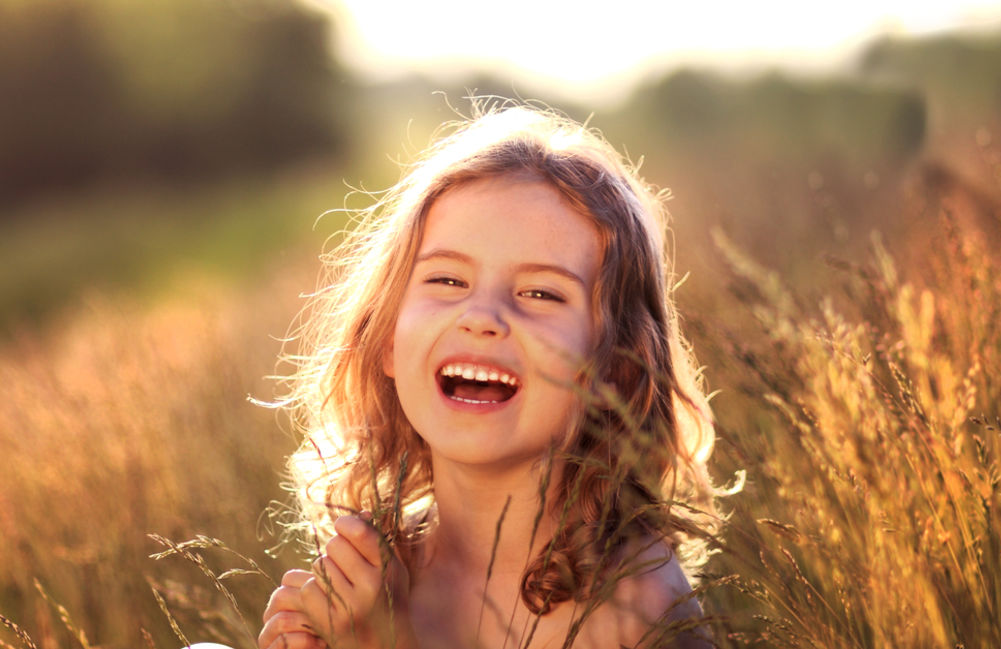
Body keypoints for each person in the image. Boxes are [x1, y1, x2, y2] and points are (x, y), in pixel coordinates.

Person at [256, 103, 719, 649]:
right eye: (448, 280)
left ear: (615, 369)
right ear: (386, 339)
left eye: (540, 293)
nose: (481, 316)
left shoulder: (637, 604)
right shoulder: (378, 573)